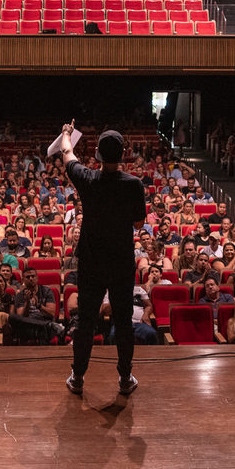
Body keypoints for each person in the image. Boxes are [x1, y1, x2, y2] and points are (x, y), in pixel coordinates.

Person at [59, 124, 147, 396]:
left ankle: (78, 377)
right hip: (121, 261)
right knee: (123, 321)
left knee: (86, 321)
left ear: (97, 153)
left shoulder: (86, 178)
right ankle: (124, 377)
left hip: (91, 261)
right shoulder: (134, 184)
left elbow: (66, 153)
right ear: (123, 153)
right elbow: (138, 223)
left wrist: (66, 132)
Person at [9, 268, 62, 344]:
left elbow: (52, 313)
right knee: (12, 317)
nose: (31, 279)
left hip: (43, 318)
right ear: (23, 280)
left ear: (37, 278)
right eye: (28, 277)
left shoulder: (46, 291)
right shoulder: (20, 296)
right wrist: (27, 302)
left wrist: (39, 305)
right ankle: (48, 326)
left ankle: (45, 326)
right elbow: (21, 316)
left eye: (33, 276)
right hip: (29, 322)